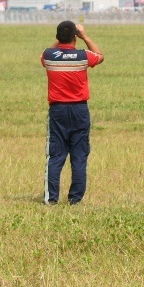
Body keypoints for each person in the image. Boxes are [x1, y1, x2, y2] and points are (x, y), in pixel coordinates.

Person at [42, 19, 104, 205]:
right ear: (75, 38)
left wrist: (59, 41)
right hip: (79, 110)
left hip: (58, 110)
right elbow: (99, 56)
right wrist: (84, 35)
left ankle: (51, 199)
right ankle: (75, 199)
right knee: (79, 155)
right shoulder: (83, 56)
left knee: (56, 155)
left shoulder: (49, 55)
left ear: (57, 37)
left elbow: (46, 53)